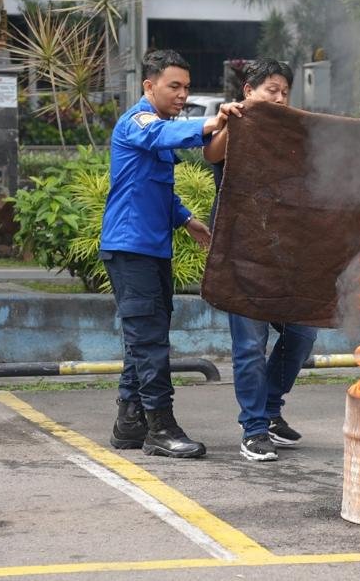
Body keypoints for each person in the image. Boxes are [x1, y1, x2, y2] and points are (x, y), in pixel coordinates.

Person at [100, 49, 243, 458]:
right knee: (149, 341)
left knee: (146, 336)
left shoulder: (159, 126)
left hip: (150, 247)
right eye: (174, 86)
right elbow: (156, 136)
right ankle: (160, 427)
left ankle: (129, 423)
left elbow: (152, 185)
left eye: (186, 87)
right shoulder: (139, 122)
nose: (182, 95)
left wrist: (185, 220)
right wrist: (213, 122)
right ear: (150, 86)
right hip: (131, 248)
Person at [204, 58, 317, 462]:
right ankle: (253, 429)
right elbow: (212, 155)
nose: (281, 97)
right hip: (240, 257)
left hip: (282, 258)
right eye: (272, 89)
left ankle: (269, 410)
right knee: (250, 344)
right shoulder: (235, 124)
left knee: (302, 333)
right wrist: (230, 121)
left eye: (285, 91)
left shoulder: (290, 134)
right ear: (248, 91)